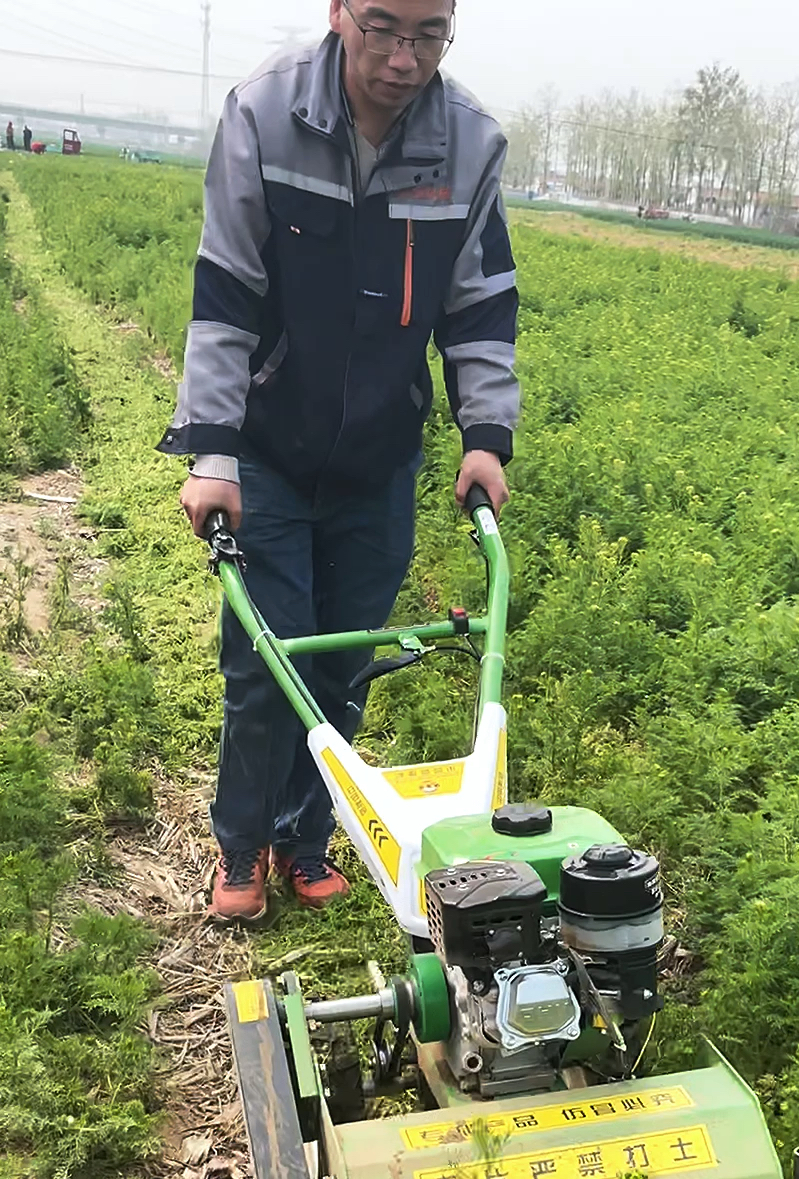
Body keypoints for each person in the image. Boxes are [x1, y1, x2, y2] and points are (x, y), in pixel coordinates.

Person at [159, 0, 519, 924]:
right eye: (382, 28)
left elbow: (478, 306)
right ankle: (241, 844)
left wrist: (485, 437)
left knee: (344, 664)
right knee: (266, 662)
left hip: (378, 456)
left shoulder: (469, 144)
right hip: (271, 446)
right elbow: (226, 290)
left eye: (429, 34)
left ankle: (306, 837)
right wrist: (213, 450)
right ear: (338, 13)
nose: (404, 58)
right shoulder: (266, 114)